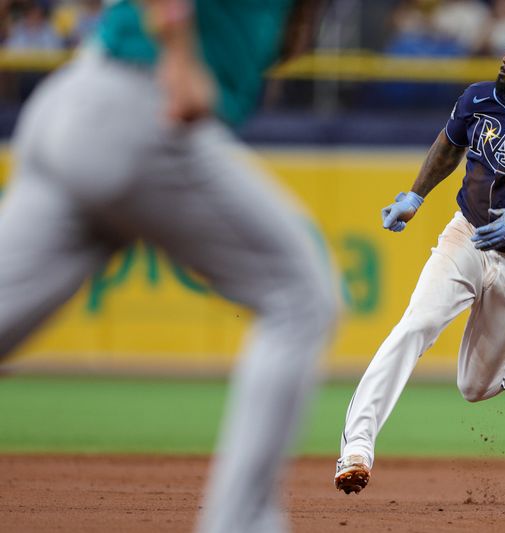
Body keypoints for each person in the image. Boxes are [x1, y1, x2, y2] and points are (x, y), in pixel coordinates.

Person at [0, 1, 337, 531]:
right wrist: (178, 53)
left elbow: (283, 37)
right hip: (144, 105)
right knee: (301, 299)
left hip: (75, 101)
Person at [335, 24, 505, 495]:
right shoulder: (480, 98)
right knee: (415, 324)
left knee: (475, 388)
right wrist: (415, 195)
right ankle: (356, 448)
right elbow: (450, 144)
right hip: (466, 235)